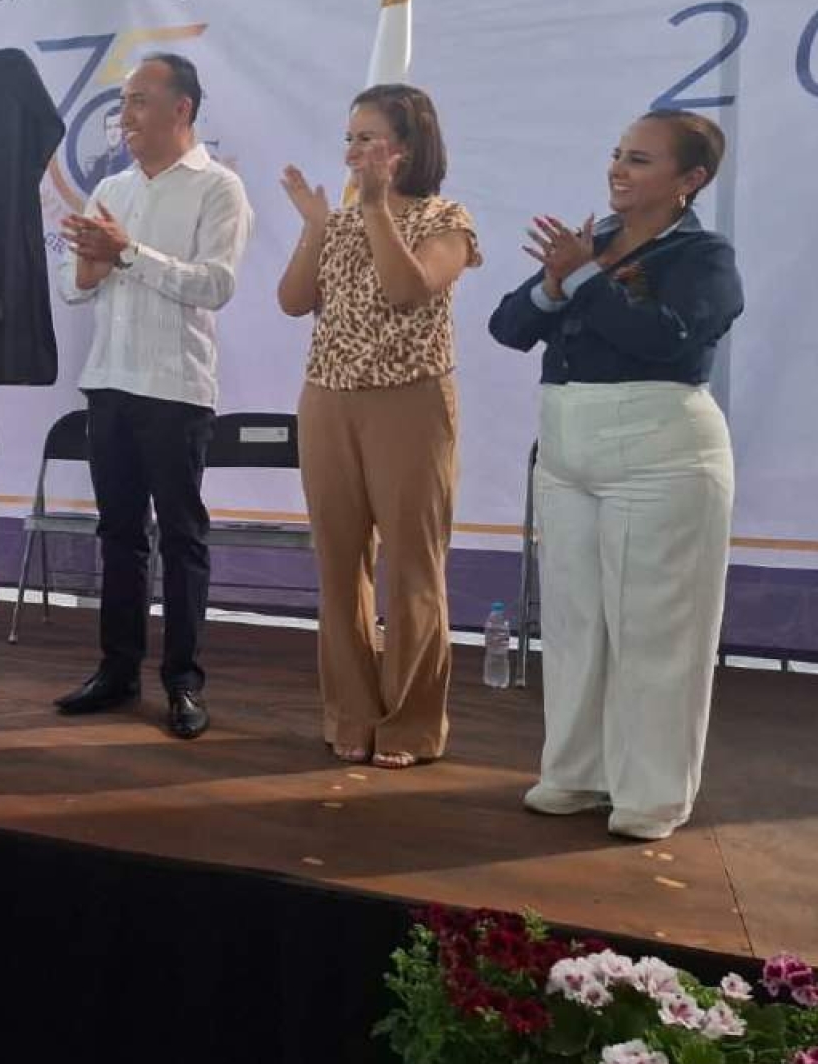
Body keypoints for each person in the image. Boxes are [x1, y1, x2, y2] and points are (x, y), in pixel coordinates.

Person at [489, 109, 742, 841]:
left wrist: (583, 276)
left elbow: (663, 339)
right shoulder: (591, 241)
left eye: (640, 159)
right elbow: (509, 327)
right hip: (569, 449)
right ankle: (577, 772)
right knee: (574, 624)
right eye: (617, 154)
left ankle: (653, 794)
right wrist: (556, 281)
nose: (618, 169)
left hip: (660, 453)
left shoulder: (703, 256)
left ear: (690, 179)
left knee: (657, 629)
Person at [277, 84, 480, 769]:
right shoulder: (336, 222)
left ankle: (411, 724)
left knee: (413, 566)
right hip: (328, 399)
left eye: (368, 138)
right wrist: (315, 225)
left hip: (411, 402)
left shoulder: (445, 218)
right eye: (350, 139)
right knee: (339, 564)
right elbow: (293, 301)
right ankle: (351, 712)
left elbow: (407, 288)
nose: (354, 152)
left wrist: (373, 210)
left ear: (408, 147)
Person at [53, 53, 254, 740]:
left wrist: (128, 253)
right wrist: (91, 262)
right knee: (118, 534)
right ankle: (117, 671)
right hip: (109, 381)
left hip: (176, 388)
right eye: (123, 103)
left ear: (181, 109)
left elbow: (215, 284)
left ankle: (183, 682)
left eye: (139, 100)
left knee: (181, 537)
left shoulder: (219, 188)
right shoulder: (111, 188)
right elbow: (73, 287)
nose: (125, 115)